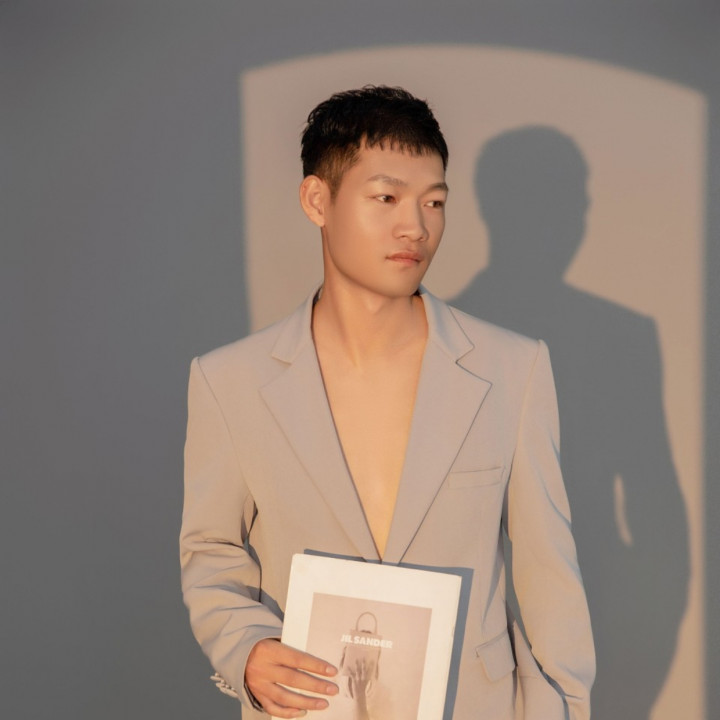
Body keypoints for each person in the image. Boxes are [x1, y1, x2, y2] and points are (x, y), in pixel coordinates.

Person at [180, 86, 595, 720]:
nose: (416, 227)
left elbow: (549, 578)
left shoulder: (512, 368)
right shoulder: (228, 380)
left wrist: (564, 709)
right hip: (310, 706)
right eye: (386, 198)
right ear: (317, 200)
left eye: (434, 202)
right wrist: (245, 649)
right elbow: (211, 550)